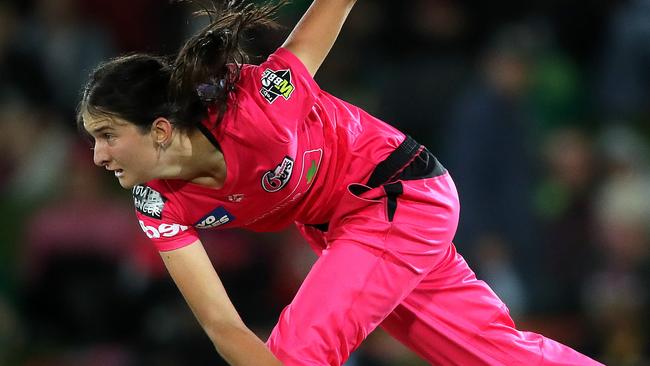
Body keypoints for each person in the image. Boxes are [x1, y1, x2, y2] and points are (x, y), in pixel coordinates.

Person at [77, 1, 604, 365]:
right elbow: (224, 328)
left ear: (161, 130)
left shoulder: (254, 107)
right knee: (495, 355)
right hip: (346, 227)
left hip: (397, 195)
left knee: (296, 355)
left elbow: (323, 22)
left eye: (107, 135)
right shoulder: (156, 203)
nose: (97, 156)